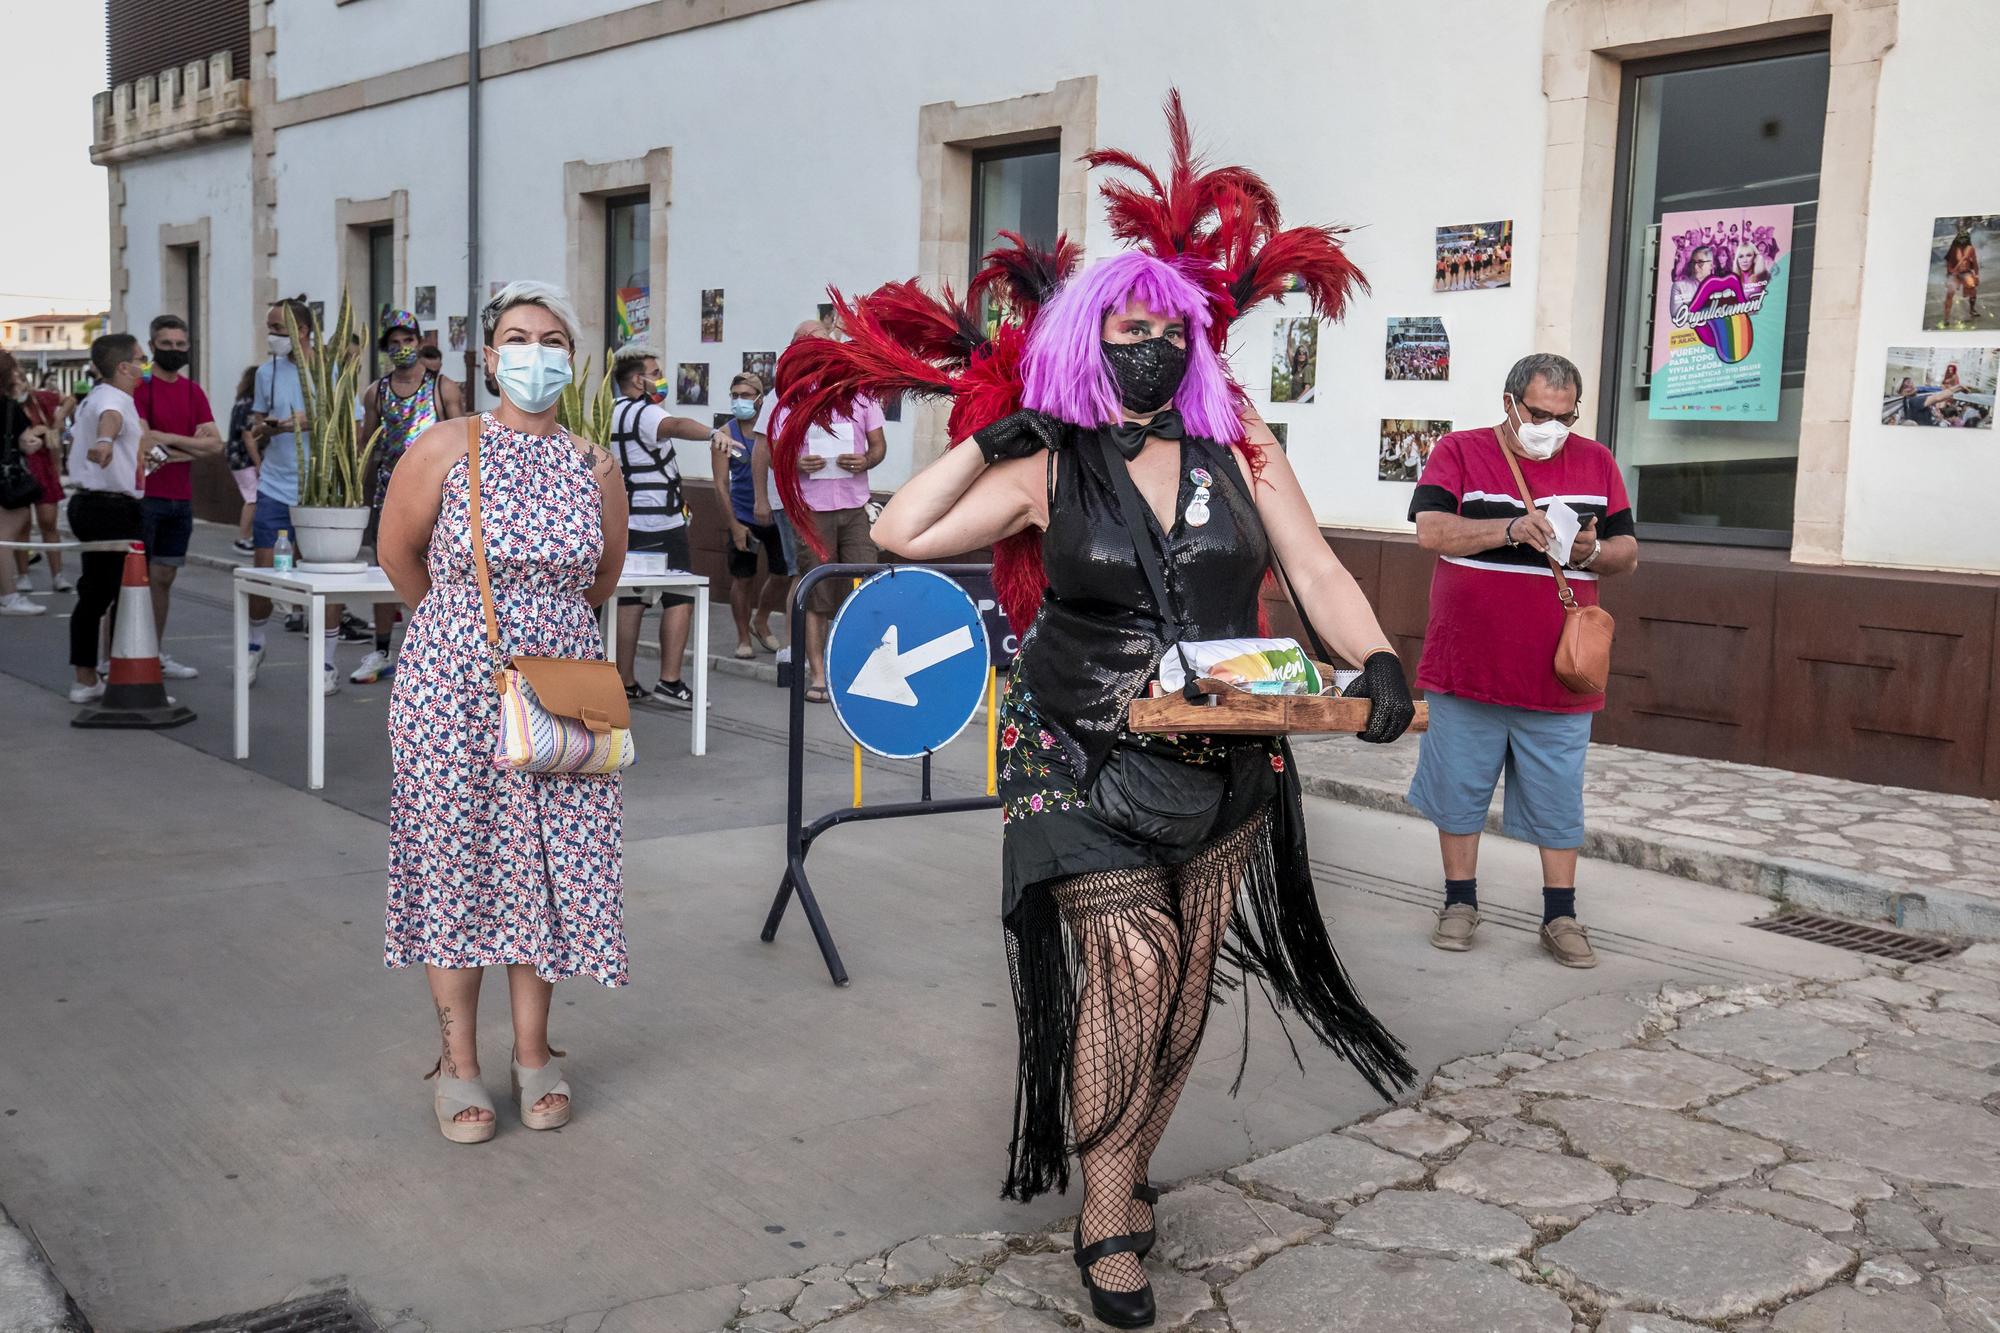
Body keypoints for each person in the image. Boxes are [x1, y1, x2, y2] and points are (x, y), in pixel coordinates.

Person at [871, 252, 1415, 1327]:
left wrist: (1376, 657)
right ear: (1085, 340)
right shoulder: (1050, 465)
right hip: (1074, 747)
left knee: (1178, 988)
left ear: (1192, 342)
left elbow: (1312, 569)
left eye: (1164, 330)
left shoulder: (1238, 447)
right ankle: (1105, 1214)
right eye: (1121, 331)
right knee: (1134, 963)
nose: (1146, 347)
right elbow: (900, 531)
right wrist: (996, 436)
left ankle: (1122, 1164)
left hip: (1224, 754)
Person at [376, 280, 629, 1143]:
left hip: (561, 686)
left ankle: (533, 1056)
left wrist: (541, 632)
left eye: (552, 338)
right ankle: (458, 1066)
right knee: (456, 864)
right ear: (488, 357)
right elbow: (397, 554)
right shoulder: (445, 446)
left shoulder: (595, 463)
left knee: (546, 868)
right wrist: (461, 634)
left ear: (572, 356)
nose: (535, 352)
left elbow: (602, 578)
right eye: (518, 337)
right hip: (452, 688)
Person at [1406, 353, 1639, 969]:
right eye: (1540, 413)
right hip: (1468, 665)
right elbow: (1431, 531)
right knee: (1457, 790)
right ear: (1510, 402)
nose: (1553, 426)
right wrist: (1510, 529)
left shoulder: (1597, 461)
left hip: (1560, 673)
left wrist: (1593, 550)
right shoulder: (1459, 452)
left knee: (1558, 798)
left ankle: (1560, 915)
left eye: (1565, 416)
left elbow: (1628, 552)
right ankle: (1460, 902)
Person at [762, 320, 885, 702]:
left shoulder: (859, 394)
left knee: (866, 586)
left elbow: (879, 446)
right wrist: (796, 465)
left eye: (824, 343)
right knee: (816, 591)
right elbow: (773, 453)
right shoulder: (788, 400)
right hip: (811, 510)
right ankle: (818, 677)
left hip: (855, 507)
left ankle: (862, 668)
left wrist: (864, 460)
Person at [606, 342, 728, 705]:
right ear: (638, 379)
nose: (661, 379)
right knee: (679, 597)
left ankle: (624, 681)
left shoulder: (612, 411)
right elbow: (675, 424)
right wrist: (712, 433)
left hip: (631, 520)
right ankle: (670, 680)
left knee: (631, 602)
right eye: (655, 372)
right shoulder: (644, 414)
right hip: (660, 521)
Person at [351, 309, 462, 684]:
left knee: (440, 573)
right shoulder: (376, 392)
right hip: (389, 494)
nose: (402, 348)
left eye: (408, 341)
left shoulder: (442, 387)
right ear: (385, 349)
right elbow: (367, 445)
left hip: (440, 495)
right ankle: (381, 650)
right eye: (394, 344)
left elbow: (461, 440)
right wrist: (356, 495)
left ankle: (433, 649)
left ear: (420, 342)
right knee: (389, 570)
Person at [247, 297, 345, 693]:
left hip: (320, 491)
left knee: (325, 576)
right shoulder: (265, 372)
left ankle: (326, 662)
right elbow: (255, 426)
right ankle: (254, 645)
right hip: (275, 484)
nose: (271, 335)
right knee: (264, 573)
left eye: (278, 329)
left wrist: (305, 421)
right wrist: (269, 428)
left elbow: (349, 425)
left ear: (302, 331)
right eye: (270, 328)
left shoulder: (329, 367)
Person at [133, 314, 224, 678]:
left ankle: (153, 653)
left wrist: (166, 438)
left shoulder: (192, 391)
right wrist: (188, 445)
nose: (174, 350)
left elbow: (214, 445)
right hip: (145, 497)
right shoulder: (139, 388)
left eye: (180, 345)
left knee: (164, 577)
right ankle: (116, 657)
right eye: (166, 344)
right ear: (152, 345)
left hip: (180, 499)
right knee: (131, 579)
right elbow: (143, 442)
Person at [63, 334, 150, 699]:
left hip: (99, 504)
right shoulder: (112, 399)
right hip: (107, 508)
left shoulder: (98, 396)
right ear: (123, 367)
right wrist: (105, 443)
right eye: (140, 359)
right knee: (106, 594)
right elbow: (109, 422)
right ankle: (94, 679)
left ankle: (100, 675)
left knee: (103, 592)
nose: (144, 365)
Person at [709, 371, 792, 658]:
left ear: (760, 398)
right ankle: (743, 638)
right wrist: (733, 525)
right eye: (735, 395)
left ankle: (762, 618)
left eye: (745, 395)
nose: (739, 401)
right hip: (743, 515)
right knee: (743, 578)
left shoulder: (774, 427)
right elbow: (720, 483)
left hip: (778, 512)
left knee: (783, 574)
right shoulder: (725, 434)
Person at [11, 362, 71, 595]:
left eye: (20, 379)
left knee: (49, 521)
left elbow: (68, 400)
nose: (18, 385)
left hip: (44, 465)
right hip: (20, 468)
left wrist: (56, 423)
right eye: (13, 381)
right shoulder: (8, 404)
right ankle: (23, 575)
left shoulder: (40, 398)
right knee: (22, 524)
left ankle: (58, 574)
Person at [0, 350, 49, 616]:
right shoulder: (10, 409)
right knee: (5, 539)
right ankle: (9, 595)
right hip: (7, 482)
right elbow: (27, 444)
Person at [224, 365, 261, 553]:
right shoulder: (250, 406)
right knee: (252, 498)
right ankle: (243, 538)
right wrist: (258, 462)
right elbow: (248, 436)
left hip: (236, 456)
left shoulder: (241, 403)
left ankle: (248, 536)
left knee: (252, 497)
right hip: (242, 459)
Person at [1943, 223, 1981, 327]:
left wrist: (1976, 275)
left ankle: (1972, 310)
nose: (1963, 240)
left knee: (1972, 289)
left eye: (1965, 238)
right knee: (1949, 294)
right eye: (1961, 238)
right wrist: (1949, 274)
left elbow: (1975, 262)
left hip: (1966, 272)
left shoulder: (1970, 248)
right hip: (1954, 274)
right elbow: (1949, 262)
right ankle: (1946, 318)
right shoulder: (1954, 248)